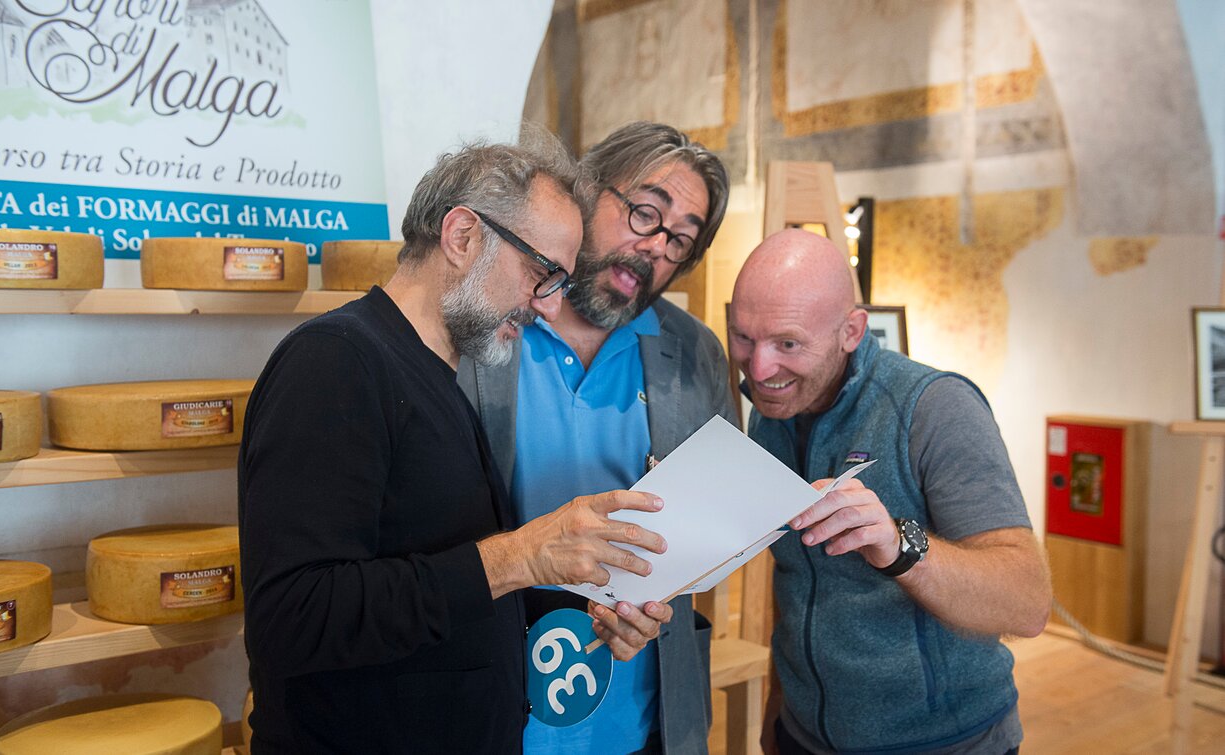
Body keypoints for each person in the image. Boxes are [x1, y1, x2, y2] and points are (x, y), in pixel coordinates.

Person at [238, 139, 677, 754]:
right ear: (463, 234)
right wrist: (521, 555)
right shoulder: (336, 361)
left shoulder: (438, 378)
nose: (547, 306)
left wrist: (593, 611)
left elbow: (450, 589)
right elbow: (294, 614)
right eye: (540, 272)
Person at [458, 121, 734, 755]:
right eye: (645, 213)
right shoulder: (491, 324)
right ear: (584, 190)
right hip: (492, 706)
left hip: (638, 714)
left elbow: (718, 528)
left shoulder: (696, 356)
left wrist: (664, 579)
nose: (655, 248)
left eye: (681, 240)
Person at [727, 229, 1052, 754]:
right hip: (803, 737)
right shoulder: (771, 419)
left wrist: (901, 546)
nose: (759, 370)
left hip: (944, 744)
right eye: (743, 337)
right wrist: (779, 715)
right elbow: (796, 589)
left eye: (787, 344)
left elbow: (1027, 604)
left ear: (852, 331)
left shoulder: (936, 409)